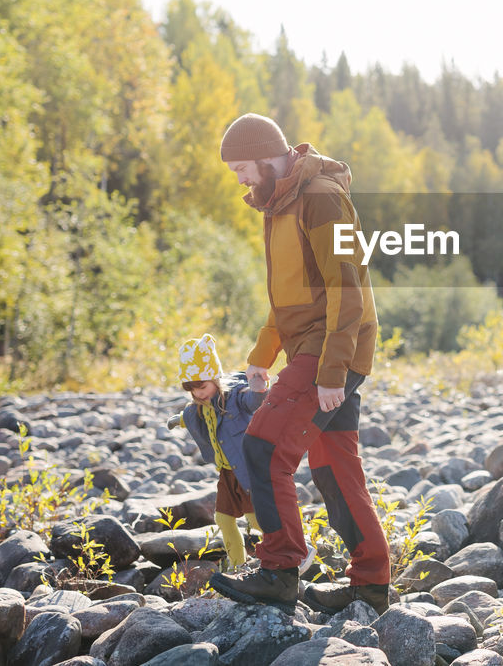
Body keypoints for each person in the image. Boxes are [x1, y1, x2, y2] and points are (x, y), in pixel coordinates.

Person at [208, 113, 390, 613]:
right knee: (333, 468)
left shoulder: (322, 198)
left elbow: (346, 289)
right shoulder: (280, 201)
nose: (240, 180)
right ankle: (371, 585)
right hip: (320, 346)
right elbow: (289, 295)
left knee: (264, 450)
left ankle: (280, 568)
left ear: (268, 158)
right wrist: (262, 355)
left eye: (242, 168)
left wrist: (333, 372)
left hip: (332, 347)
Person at [167, 333, 266, 571]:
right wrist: (178, 420)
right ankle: (238, 567)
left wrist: (258, 387)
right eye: (192, 390)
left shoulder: (235, 397)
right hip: (226, 472)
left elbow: (253, 402)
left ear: (215, 377)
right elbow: (191, 416)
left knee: (257, 518)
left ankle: (286, 553)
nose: (199, 393)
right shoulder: (200, 406)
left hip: (246, 469)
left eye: (202, 386)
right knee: (223, 519)